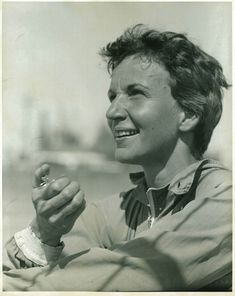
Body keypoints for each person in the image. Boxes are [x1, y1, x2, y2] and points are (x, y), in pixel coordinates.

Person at [3, 24, 232, 291]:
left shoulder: (225, 200)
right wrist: (45, 234)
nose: (112, 112)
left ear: (189, 114)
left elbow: (119, 275)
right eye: (113, 96)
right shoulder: (112, 212)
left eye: (135, 93)